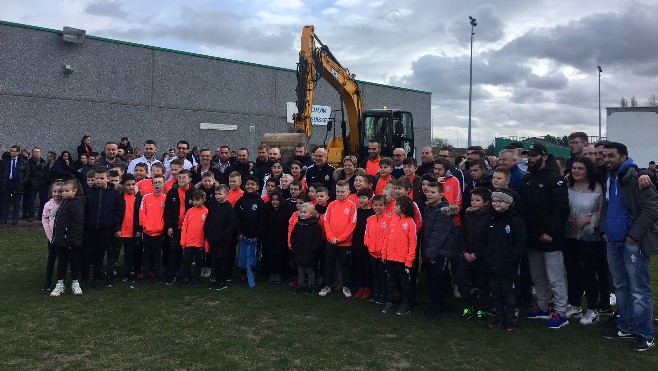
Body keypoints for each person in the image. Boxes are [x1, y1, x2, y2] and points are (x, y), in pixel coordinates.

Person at [601, 142, 658, 351]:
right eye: (604, 155)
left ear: (623, 157)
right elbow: (606, 206)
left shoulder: (636, 177)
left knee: (639, 290)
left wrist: (634, 237)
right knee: (621, 287)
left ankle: (645, 333)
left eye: (611, 155)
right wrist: (604, 230)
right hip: (614, 241)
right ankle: (626, 326)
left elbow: (652, 209)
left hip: (632, 243)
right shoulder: (610, 178)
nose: (606, 159)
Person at [519, 143, 571, 329]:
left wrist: (550, 232)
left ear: (544, 155)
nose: (529, 159)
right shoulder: (528, 178)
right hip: (532, 237)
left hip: (551, 238)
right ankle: (542, 307)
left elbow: (561, 209)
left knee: (554, 276)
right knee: (538, 275)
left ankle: (561, 312)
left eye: (533, 155)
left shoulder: (554, 178)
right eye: (527, 156)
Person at [476, 189, 526, 331]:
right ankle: (498, 318)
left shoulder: (516, 221)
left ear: (509, 204)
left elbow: (520, 244)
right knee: (496, 292)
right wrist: (486, 256)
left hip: (508, 266)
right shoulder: (490, 220)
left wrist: (511, 259)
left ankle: (510, 321)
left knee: (508, 293)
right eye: (494, 201)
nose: (496, 204)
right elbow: (482, 240)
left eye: (500, 201)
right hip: (492, 264)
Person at [82, 167, 125, 290]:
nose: (98, 180)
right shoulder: (87, 192)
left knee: (100, 255)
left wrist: (112, 222)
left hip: (105, 230)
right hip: (89, 229)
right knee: (87, 255)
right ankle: (84, 278)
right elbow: (83, 210)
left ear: (107, 179)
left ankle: (96, 278)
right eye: (96, 178)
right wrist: (86, 222)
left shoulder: (114, 193)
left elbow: (119, 210)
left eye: (102, 178)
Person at [422, 181, 459, 320]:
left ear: (441, 195)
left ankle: (435, 309)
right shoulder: (430, 208)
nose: (429, 194)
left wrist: (430, 255)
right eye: (428, 192)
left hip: (440, 251)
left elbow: (438, 235)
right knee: (432, 278)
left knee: (437, 278)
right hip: (430, 249)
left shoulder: (443, 211)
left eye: (433, 192)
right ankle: (438, 303)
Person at [457, 186, 493, 320]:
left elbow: (489, 240)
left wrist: (477, 254)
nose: (473, 202)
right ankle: (468, 306)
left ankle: (482, 308)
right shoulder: (468, 215)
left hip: (481, 257)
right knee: (461, 278)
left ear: (486, 202)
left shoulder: (490, 217)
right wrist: (464, 251)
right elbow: (462, 235)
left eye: (477, 200)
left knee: (483, 282)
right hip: (467, 255)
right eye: (472, 200)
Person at [319, 180, 357, 297]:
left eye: (342, 191)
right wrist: (331, 237)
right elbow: (326, 221)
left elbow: (352, 224)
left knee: (345, 265)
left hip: (345, 243)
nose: (340, 194)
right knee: (329, 264)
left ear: (348, 191)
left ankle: (346, 287)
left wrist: (340, 238)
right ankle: (328, 286)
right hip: (331, 241)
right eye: (338, 191)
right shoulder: (331, 205)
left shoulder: (351, 205)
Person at [381, 195, 418, 316]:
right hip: (390, 257)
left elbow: (413, 243)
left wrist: (409, 260)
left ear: (403, 207)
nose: (394, 207)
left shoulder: (410, 223)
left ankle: (406, 304)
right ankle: (391, 301)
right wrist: (384, 253)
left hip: (403, 259)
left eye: (397, 205)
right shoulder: (393, 219)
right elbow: (387, 237)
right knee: (391, 280)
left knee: (404, 283)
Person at [49, 180, 85, 297]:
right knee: (62, 262)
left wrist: (72, 239)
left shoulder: (76, 204)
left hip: (71, 241)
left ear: (74, 191)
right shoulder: (64, 203)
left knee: (74, 261)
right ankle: (60, 284)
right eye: (62, 191)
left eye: (66, 191)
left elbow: (78, 223)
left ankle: (75, 282)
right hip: (61, 240)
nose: (63, 193)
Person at [164, 169, 195, 285]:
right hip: (176, 227)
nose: (181, 180)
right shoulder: (172, 192)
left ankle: (187, 275)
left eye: (184, 178)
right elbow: (167, 211)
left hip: (189, 229)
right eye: (179, 178)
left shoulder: (194, 192)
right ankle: (172, 275)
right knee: (173, 251)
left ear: (190, 179)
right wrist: (169, 226)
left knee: (188, 253)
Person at [234, 175, 266, 288]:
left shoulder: (260, 202)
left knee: (253, 254)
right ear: (244, 185)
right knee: (243, 254)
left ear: (257, 187)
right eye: (248, 184)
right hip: (243, 235)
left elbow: (262, 220)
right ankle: (243, 273)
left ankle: (253, 272)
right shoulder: (240, 201)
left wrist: (258, 234)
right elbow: (236, 218)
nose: (250, 186)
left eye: (253, 184)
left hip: (255, 236)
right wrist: (238, 232)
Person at [205, 184, 237, 291]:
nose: (217, 196)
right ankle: (216, 279)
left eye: (220, 194)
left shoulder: (229, 208)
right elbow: (208, 221)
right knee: (215, 259)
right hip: (213, 239)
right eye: (216, 194)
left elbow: (231, 224)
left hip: (223, 240)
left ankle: (222, 281)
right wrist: (208, 234)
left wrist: (223, 235)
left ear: (226, 194)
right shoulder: (213, 206)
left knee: (222, 259)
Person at [290, 202, 323, 294]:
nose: (302, 214)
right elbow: (293, 236)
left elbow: (317, 239)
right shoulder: (298, 224)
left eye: (305, 212)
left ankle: (311, 285)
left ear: (311, 214)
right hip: (299, 251)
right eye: (301, 212)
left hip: (310, 252)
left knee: (310, 270)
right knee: (300, 269)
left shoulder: (316, 226)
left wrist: (313, 249)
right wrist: (294, 245)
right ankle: (300, 285)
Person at [364, 195, 391, 305]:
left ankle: (385, 294)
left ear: (385, 206)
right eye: (376, 205)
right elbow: (367, 235)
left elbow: (388, 237)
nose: (378, 207)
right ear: (372, 205)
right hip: (372, 253)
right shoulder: (370, 219)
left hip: (383, 254)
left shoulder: (389, 220)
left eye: (380, 205)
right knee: (375, 274)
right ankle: (377, 292)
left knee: (383, 275)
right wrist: (370, 245)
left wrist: (382, 249)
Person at [263, 190, 294, 284]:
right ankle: (272, 272)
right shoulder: (267, 208)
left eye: (277, 200)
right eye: (273, 199)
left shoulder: (286, 209)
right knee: (271, 253)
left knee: (280, 254)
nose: (275, 202)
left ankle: (280, 273)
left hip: (282, 235)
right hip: (270, 235)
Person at [140, 175, 167, 281]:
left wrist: (162, 227)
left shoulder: (165, 198)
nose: (157, 185)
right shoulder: (146, 198)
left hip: (160, 232)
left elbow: (167, 215)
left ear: (164, 184)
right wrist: (145, 225)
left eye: (159, 182)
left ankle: (157, 273)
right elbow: (142, 212)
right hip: (147, 231)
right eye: (155, 182)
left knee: (157, 253)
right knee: (146, 253)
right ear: (152, 184)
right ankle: (145, 273)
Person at [179, 190, 209, 286]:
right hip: (189, 242)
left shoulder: (206, 212)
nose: (195, 202)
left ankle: (196, 278)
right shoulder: (189, 211)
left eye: (197, 200)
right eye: (194, 200)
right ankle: (186, 277)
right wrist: (183, 241)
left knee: (198, 262)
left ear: (203, 200)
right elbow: (184, 227)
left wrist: (206, 244)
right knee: (186, 261)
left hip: (200, 243)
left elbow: (207, 230)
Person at [352, 188, 376, 299]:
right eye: (359, 198)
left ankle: (368, 287)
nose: (361, 200)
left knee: (368, 267)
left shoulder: (372, 213)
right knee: (358, 266)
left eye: (364, 198)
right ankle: (360, 286)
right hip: (357, 243)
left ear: (370, 199)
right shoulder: (356, 211)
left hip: (368, 245)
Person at [118, 174, 142, 282]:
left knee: (133, 252)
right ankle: (121, 273)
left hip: (134, 230)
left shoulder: (138, 198)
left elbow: (140, 214)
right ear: (123, 185)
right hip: (122, 230)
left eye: (133, 184)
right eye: (128, 185)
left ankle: (133, 272)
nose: (131, 187)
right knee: (122, 252)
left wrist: (139, 229)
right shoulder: (119, 197)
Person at [41, 181, 64, 291]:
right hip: (52, 238)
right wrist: (51, 237)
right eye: (54, 191)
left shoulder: (66, 204)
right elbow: (45, 222)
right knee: (51, 260)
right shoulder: (48, 205)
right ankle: (48, 282)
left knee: (62, 260)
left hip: (63, 238)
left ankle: (61, 281)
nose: (57, 194)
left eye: (60, 192)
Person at [1, 145, 29, 225]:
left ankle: (15, 219)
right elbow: (2, 172)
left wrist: (23, 181)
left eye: (14, 151)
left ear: (18, 152)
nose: (12, 152)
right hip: (7, 183)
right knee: (4, 201)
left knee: (16, 202)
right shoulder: (6, 160)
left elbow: (27, 172)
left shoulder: (23, 161)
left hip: (17, 183)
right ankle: (4, 218)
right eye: (11, 151)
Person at [27, 148, 50, 221]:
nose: (37, 153)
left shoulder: (43, 162)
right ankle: (31, 215)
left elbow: (47, 172)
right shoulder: (29, 162)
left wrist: (44, 178)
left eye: (38, 152)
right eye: (35, 152)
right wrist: (31, 181)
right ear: (32, 153)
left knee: (43, 200)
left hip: (43, 183)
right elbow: (28, 173)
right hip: (33, 184)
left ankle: (41, 215)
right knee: (31, 200)